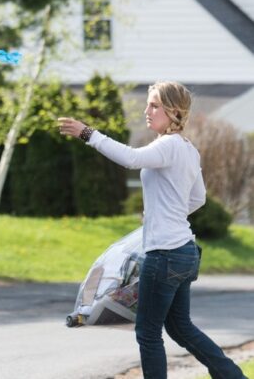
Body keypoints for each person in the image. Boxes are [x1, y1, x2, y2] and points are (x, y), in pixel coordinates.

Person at [58, 81, 245, 379]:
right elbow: (198, 198)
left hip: (166, 254)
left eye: (154, 105)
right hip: (184, 251)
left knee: (147, 332)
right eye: (148, 104)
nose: (147, 111)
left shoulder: (168, 145)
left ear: (173, 111)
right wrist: (165, 213)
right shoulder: (187, 148)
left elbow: (131, 159)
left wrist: (87, 133)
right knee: (181, 328)